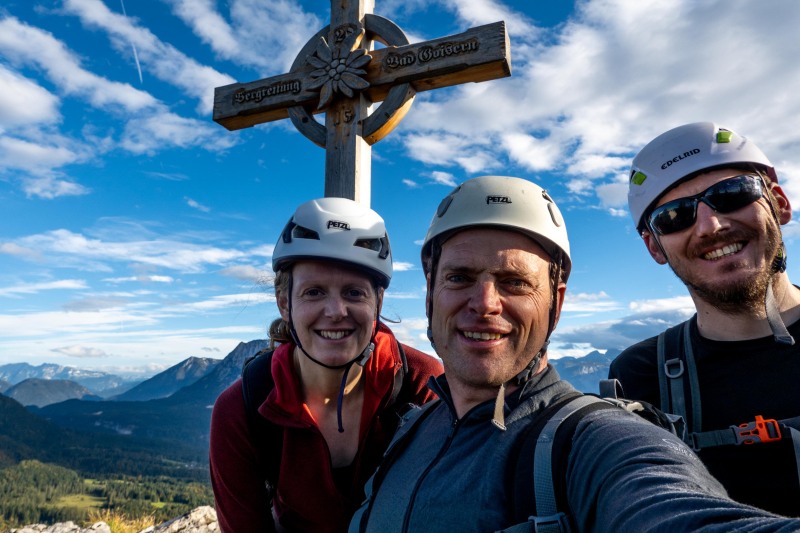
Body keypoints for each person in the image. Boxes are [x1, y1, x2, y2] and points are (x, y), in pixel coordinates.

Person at [349, 175, 800, 532]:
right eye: (459, 278)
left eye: (514, 282)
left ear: (556, 303)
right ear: (430, 292)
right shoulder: (412, 428)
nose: (484, 302)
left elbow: (668, 505)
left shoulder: (591, 442)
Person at [209, 197, 443, 533]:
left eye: (353, 293)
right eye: (314, 292)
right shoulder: (242, 410)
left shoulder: (424, 385)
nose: (335, 311)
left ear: (378, 301)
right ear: (284, 303)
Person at [609, 121, 800, 516]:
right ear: (655, 247)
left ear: (779, 203)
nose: (710, 225)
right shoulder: (641, 377)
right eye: (674, 216)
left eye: (731, 194)